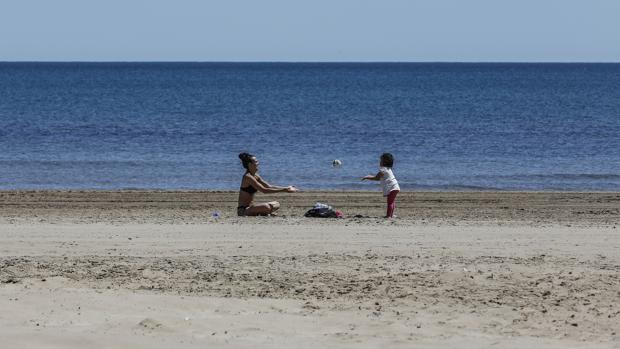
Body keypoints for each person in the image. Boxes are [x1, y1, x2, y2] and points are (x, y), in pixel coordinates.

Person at [361, 153, 401, 218]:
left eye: (381, 160)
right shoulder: (388, 169)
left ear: (384, 162)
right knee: (392, 202)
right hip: (395, 186)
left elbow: (376, 178)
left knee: (390, 202)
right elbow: (378, 178)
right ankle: (391, 214)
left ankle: (388, 216)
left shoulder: (383, 170)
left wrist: (367, 177)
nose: (379, 162)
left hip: (392, 188)